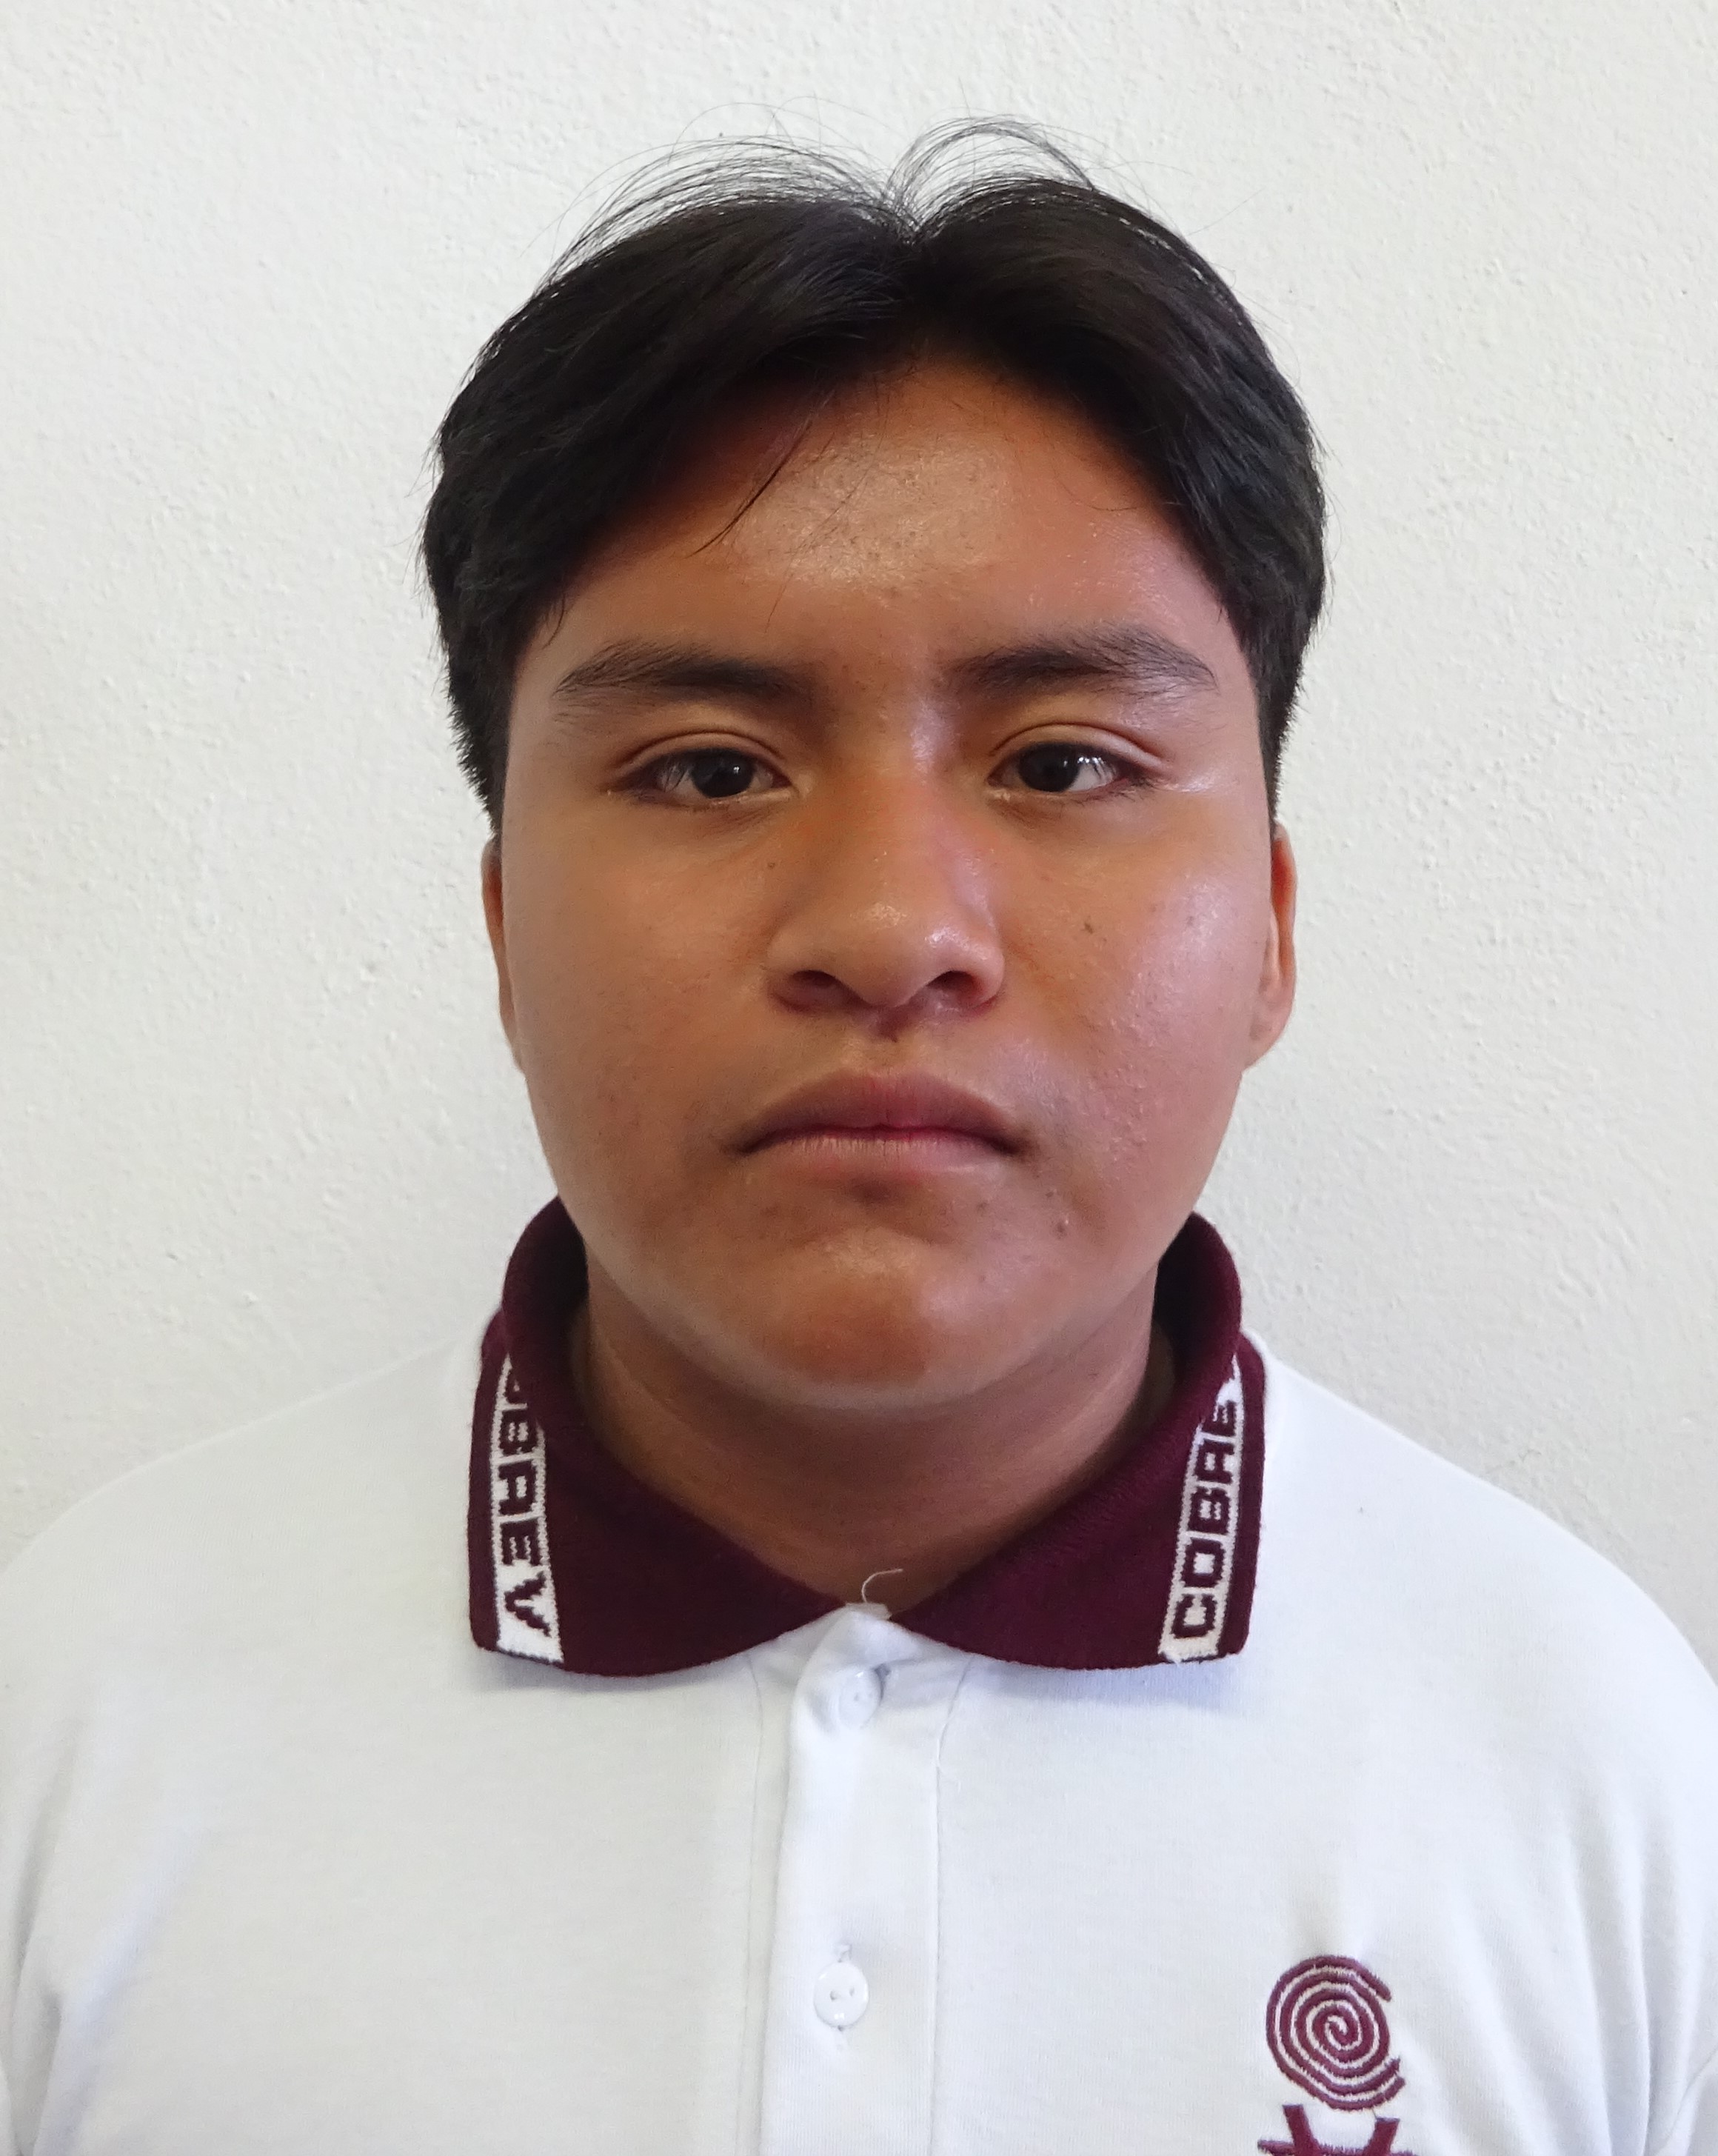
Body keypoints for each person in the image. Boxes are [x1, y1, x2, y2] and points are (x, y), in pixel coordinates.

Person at [1, 127, 1714, 2156]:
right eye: (710, 770)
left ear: (1267, 926)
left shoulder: (1597, 1759)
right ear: (504, 930)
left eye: (1062, 761)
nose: (893, 929)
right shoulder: (75, 1709)